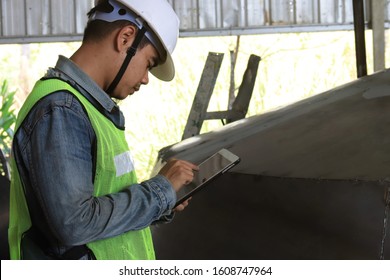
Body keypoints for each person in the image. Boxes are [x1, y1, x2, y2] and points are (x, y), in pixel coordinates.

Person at [8, 0, 198, 260]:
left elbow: (101, 202)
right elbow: (75, 223)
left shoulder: (88, 109)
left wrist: (161, 203)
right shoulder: (61, 109)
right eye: (149, 63)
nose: (145, 79)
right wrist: (159, 191)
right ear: (126, 38)